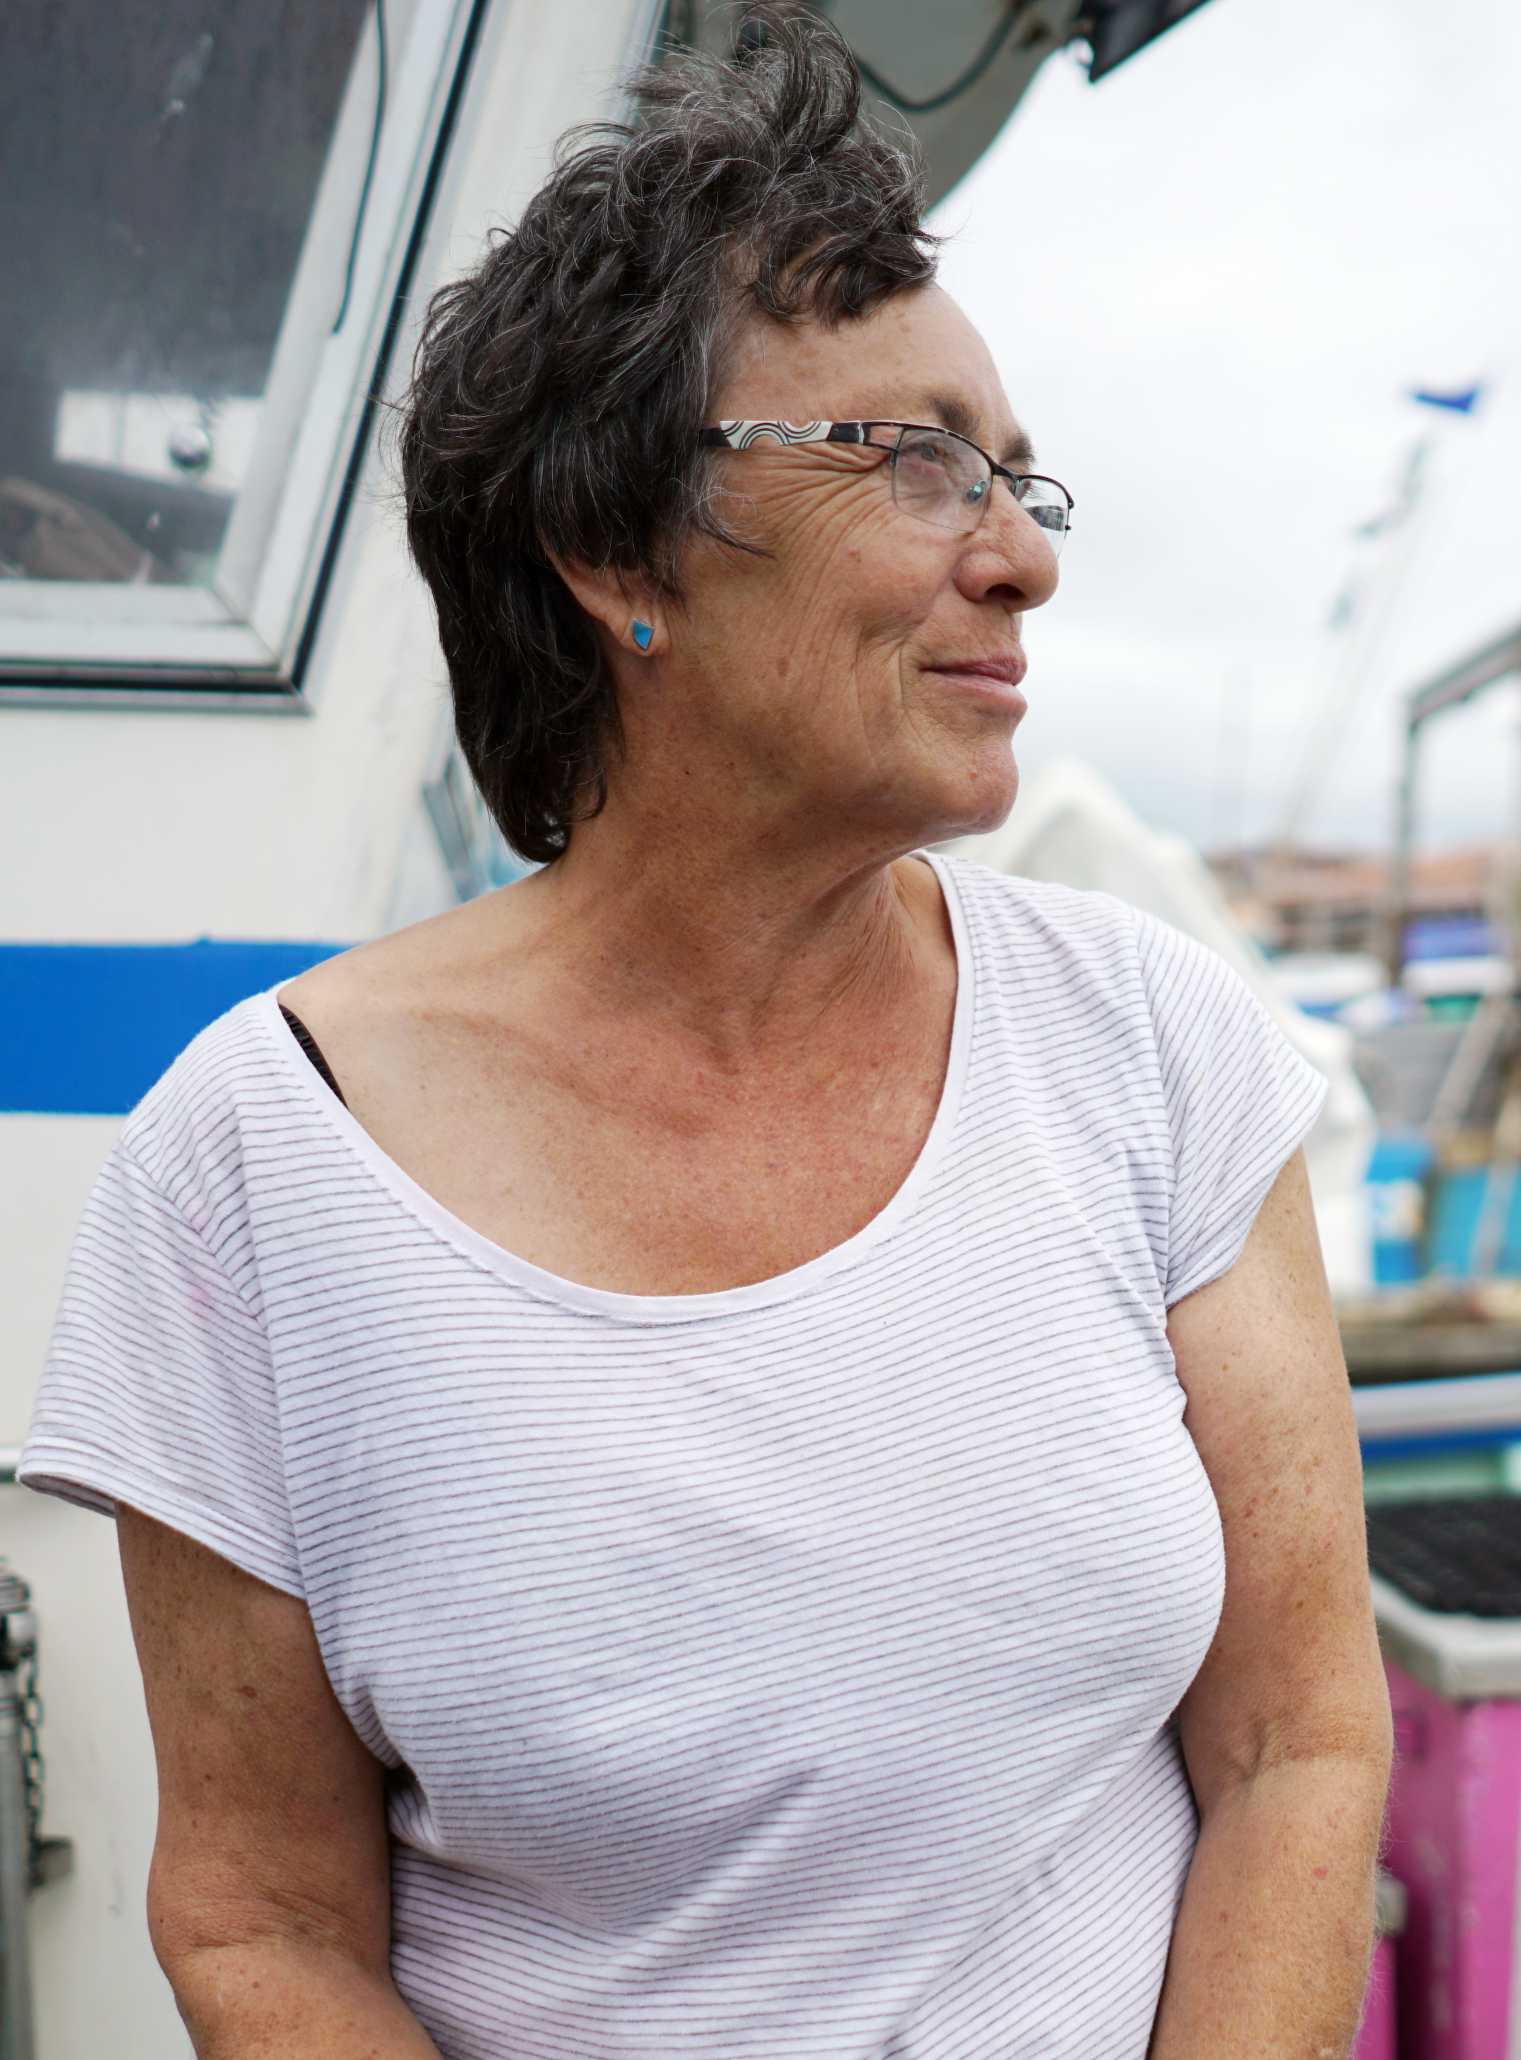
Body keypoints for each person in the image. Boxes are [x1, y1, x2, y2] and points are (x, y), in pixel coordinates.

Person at [17, 14, 1389, 2056]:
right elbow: (261, 1920)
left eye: (1016, 476)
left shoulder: (1155, 1049)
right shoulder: (257, 1166)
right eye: (917, 462)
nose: (1023, 555)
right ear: (614, 548)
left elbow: (1295, 1748)